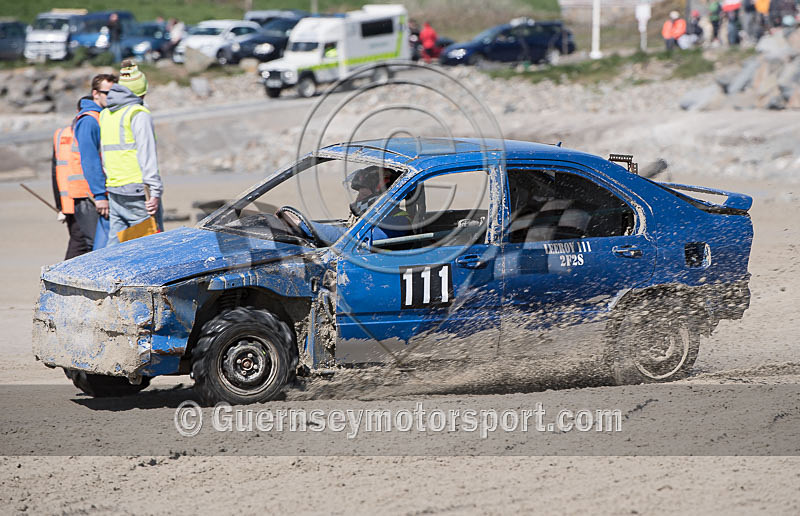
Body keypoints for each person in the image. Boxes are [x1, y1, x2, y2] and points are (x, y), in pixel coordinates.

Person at [99, 60, 163, 246]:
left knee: (115, 247)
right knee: (151, 246)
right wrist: (155, 192)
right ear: (142, 90)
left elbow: (105, 153)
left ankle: (104, 274)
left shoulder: (106, 114)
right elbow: (147, 154)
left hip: (114, 188)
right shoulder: (138, 114)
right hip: (138, 191)